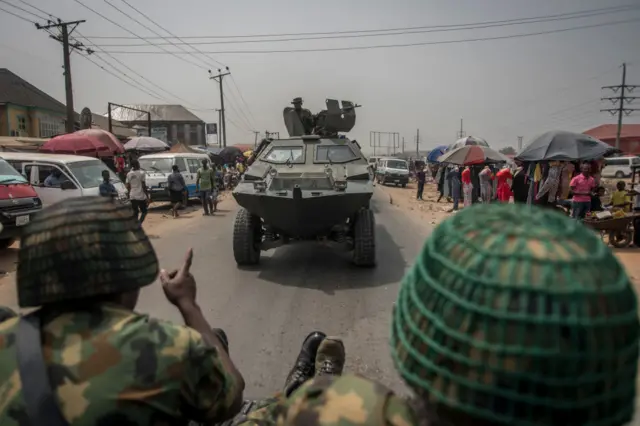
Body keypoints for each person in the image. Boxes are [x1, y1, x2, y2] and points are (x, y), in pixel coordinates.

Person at [240, 203, 639, 426]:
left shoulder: (354, 411)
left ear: (417, 341)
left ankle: (294, 392)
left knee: (291, 407)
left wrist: (315, 399)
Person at [0, 197, 245, 425]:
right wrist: (188, 305)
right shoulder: (168, 346)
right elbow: (230, 400)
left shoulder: (6, 339)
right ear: (128, 271)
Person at [126, 159, 149, 224]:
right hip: (140, 195)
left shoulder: (129, 174)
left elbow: (128, 186)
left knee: (135, 212)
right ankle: (139, 223)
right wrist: (147, 196)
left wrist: (128, 196)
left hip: (132, 195)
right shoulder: (142, 173)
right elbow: (144, 186)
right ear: (137, 164)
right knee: (144, 211)